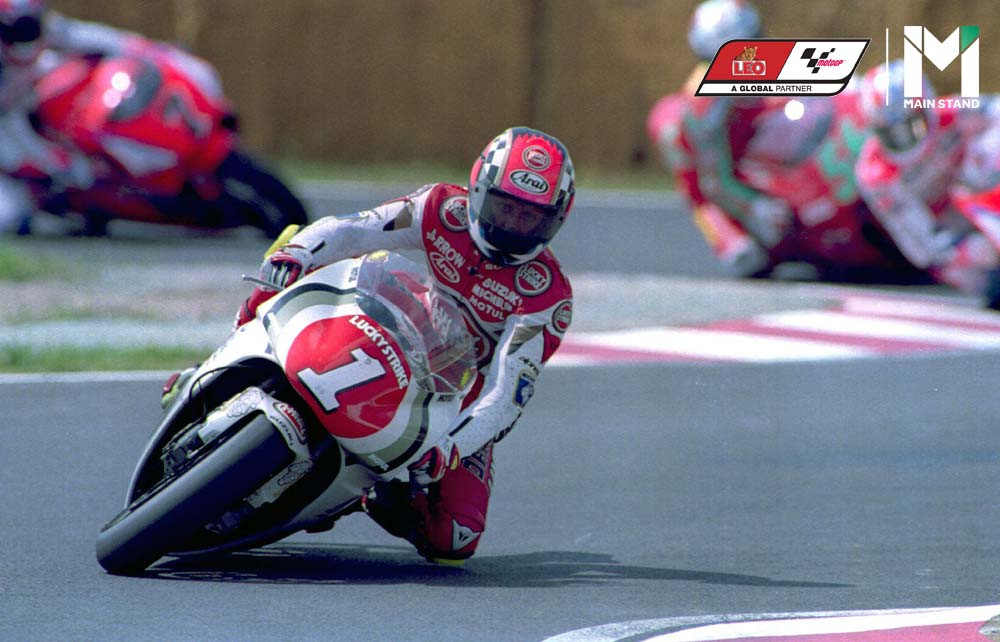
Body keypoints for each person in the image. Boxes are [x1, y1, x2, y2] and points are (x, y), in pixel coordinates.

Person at [231, 126, 575, 563]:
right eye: (504, 207)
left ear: (555, 221)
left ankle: (364, 495)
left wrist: (450, 449)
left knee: (456, 539)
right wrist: (298, 252)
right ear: (479, 190)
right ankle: (230, 354)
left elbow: (505, 396)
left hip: (457, 391)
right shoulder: (441, 208)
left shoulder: (547, 296)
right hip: (400, 325)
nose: (511, 226)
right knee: (294, 252)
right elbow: (352, 231)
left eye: (530, 218)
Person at [0, 0, 222, 233]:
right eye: (18, 29)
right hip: (13, 133)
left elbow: (106, 39)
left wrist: (156, 52)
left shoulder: (51, 31)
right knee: (14, 212)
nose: (27, 34)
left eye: (30, 24)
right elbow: (13, 140)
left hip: (64, 105)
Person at [646, 0, 791, 277]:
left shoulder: (768, 65)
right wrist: (755, 206)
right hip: (724, 169)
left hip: (764, 150)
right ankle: (727, 235)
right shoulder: (700, 103)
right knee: (747, 256)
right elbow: (710, 182)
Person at [855, 59, 1000, 305]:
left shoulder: (955, 110)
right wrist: (962, 249)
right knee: (981, 276)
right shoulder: (875, 174)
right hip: (950, 232)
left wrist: (982, 157)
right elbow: (922, 247)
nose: (903, 138)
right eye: (890, 131)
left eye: (911, 124)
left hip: (982, 195)